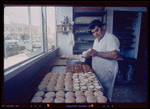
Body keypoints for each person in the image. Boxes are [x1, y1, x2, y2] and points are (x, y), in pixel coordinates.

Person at [82, 19, 120, 102]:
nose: (96, 33)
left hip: (107, 72)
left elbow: (115, 55)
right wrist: (88, 54)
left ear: (102, 28)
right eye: (93, 32)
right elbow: (96, 53)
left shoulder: (111, 38)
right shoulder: (96, 40)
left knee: (105, 95)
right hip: (98, 71)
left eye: (97, 30)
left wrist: (97, 53)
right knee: (98, 94)